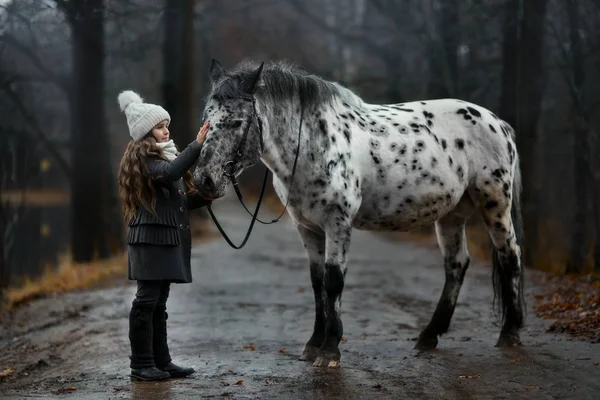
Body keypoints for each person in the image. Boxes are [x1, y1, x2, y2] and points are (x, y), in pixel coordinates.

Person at [116, 90, 211, 381]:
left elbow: (179, 200)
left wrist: (208, 194)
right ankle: (141, 364)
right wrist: (196, 146)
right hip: (149, 240)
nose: (166, 129)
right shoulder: (146, 160)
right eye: (160, 126)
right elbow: (171, 172)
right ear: (146, 132)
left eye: (166, 124)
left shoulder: (164, 156)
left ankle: (162, 361)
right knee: (146, 301)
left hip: (164, 239)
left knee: (159, 302)